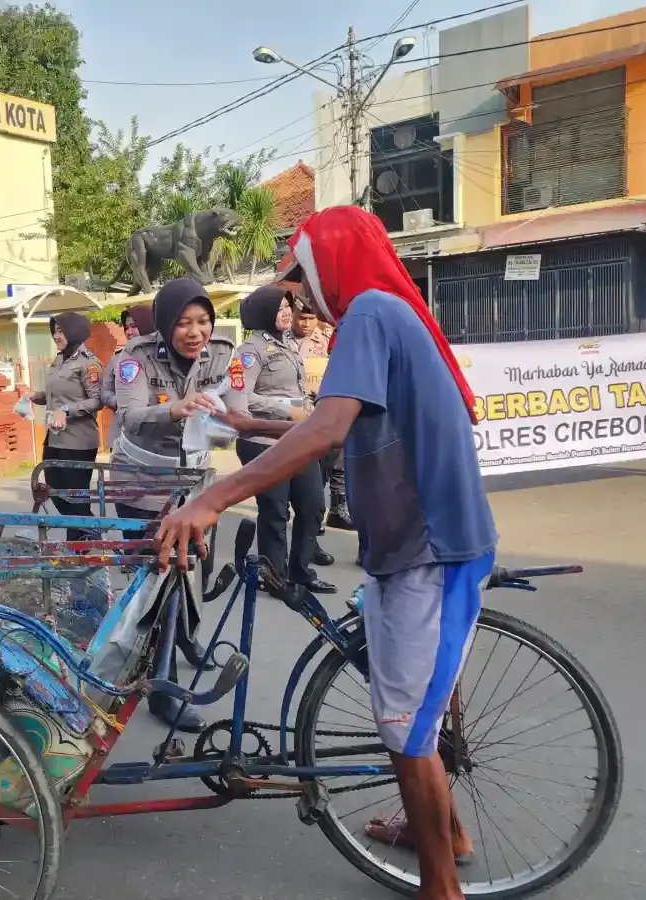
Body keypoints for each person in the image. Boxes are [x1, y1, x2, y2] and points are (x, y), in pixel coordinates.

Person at [154, 206, 495, 900]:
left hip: (429, 546)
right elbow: (332, 421)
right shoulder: (383, 314)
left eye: (300, 278)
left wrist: (215, 499)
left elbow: (327, 430)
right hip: (414, 541)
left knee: (404, 727)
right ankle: (446, 831)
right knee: (412, 707)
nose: (297, 295)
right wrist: (248, 423)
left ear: (330, 262)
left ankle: (440, 886)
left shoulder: (370, 312)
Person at [112, 278, 247, 733]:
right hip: (141, 484)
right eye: (185, 323)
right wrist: (174, 409)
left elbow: (238, 406)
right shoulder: (134, 359)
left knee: (184, 575)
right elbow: (129, 418)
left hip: (192, 482)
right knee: (155, 583)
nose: (196, 332)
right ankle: (149, 682)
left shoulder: (223, 354)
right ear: (168, 323)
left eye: (203, 321)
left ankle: (173, 658)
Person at [232, 285, 336, 598]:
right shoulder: (249, 352)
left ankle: (301, 572)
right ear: (264, 312)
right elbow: (240, 398)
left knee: (313, 505)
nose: (287, 313)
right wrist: (285, 410)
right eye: (279, 308)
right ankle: (275, 576)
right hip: (265, 441)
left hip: (298, 440)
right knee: (275, 511)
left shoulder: (289, 345)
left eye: (287, 307)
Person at [28, 312, 102, 541]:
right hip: (55, 437)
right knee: (53, 489)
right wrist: (35, 396)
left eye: (61, 331)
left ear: (75, 331)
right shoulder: (60, 360)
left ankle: (78, 542)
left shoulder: (88, 362)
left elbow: (98, 400)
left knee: (74, 495)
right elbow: (56, 396)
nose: (57, 336)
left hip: (78, 441)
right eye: (55, 331)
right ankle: (90, 529)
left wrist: (67, 411)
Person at [292, 303, 353, 532]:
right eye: (301, 318)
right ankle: (308, 510)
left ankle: (337, 507)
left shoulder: (328, 338)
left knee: (336, 459)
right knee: (306, 464)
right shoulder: (284, 341)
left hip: (328, 405)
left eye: (310, 319)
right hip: (299, 411)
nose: (306, 324)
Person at [100, 305, 154, 448]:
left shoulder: (162, 357)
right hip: (122, 434)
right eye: (126, 327)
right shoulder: (118, 359)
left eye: (133, 326)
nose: (128, 332)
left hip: (153, 436)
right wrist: (120, 400)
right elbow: (105, 393)